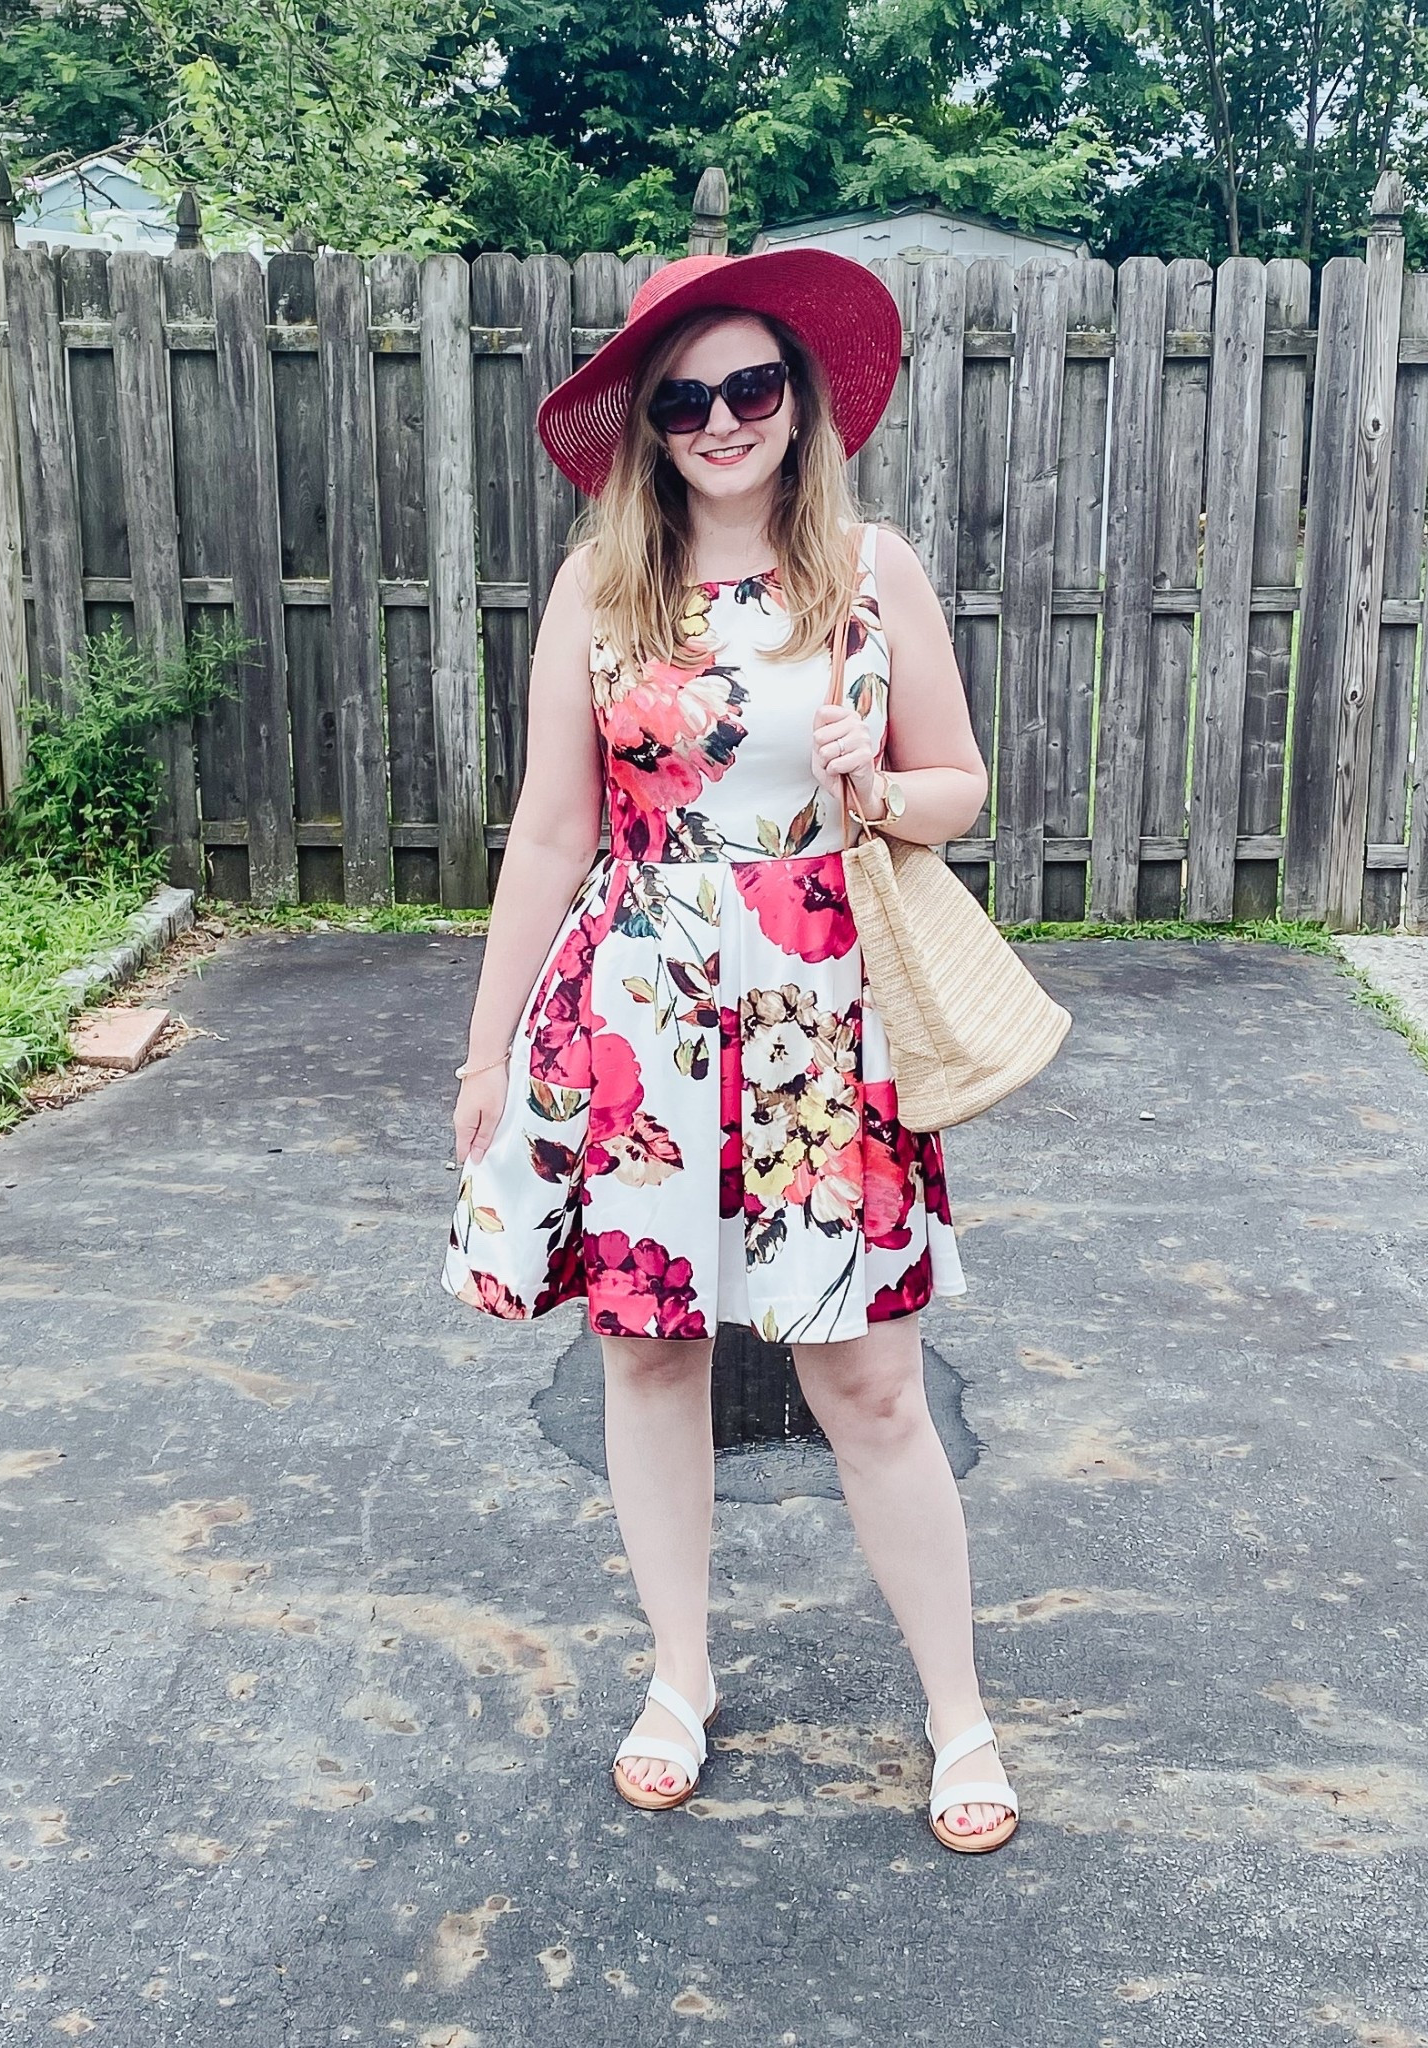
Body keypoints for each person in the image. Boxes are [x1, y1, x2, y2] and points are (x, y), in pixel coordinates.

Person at [440, 249, 1016, 1851]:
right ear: (648, 423)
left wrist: (874, 784)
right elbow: (552, 833)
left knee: (868, 1378)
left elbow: (960, 781)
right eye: (685, 398)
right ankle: (680, 1679)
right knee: (651, 1353)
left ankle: (957, 1714)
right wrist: (488, 1053)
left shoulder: (869, 569)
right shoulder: (600, 589)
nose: (720, 421)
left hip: (819, 1011)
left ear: (801, 402)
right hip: (636, 1014)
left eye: (751, 387)